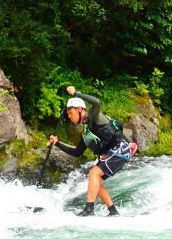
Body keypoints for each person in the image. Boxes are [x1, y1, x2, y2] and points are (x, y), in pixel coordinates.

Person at [48, 86, 136, 216]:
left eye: (70, 113)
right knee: (95, 182)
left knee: (93, 173)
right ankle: (113, 212)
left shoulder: (93, 116)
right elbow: (77, 152)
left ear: (80, 110)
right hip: (112, 153)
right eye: (67, 114)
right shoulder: (86, 132)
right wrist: (57, 143)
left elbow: (97, 102)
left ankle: (89, 209)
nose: (69, 116)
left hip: (120, 149)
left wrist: (77, 94)